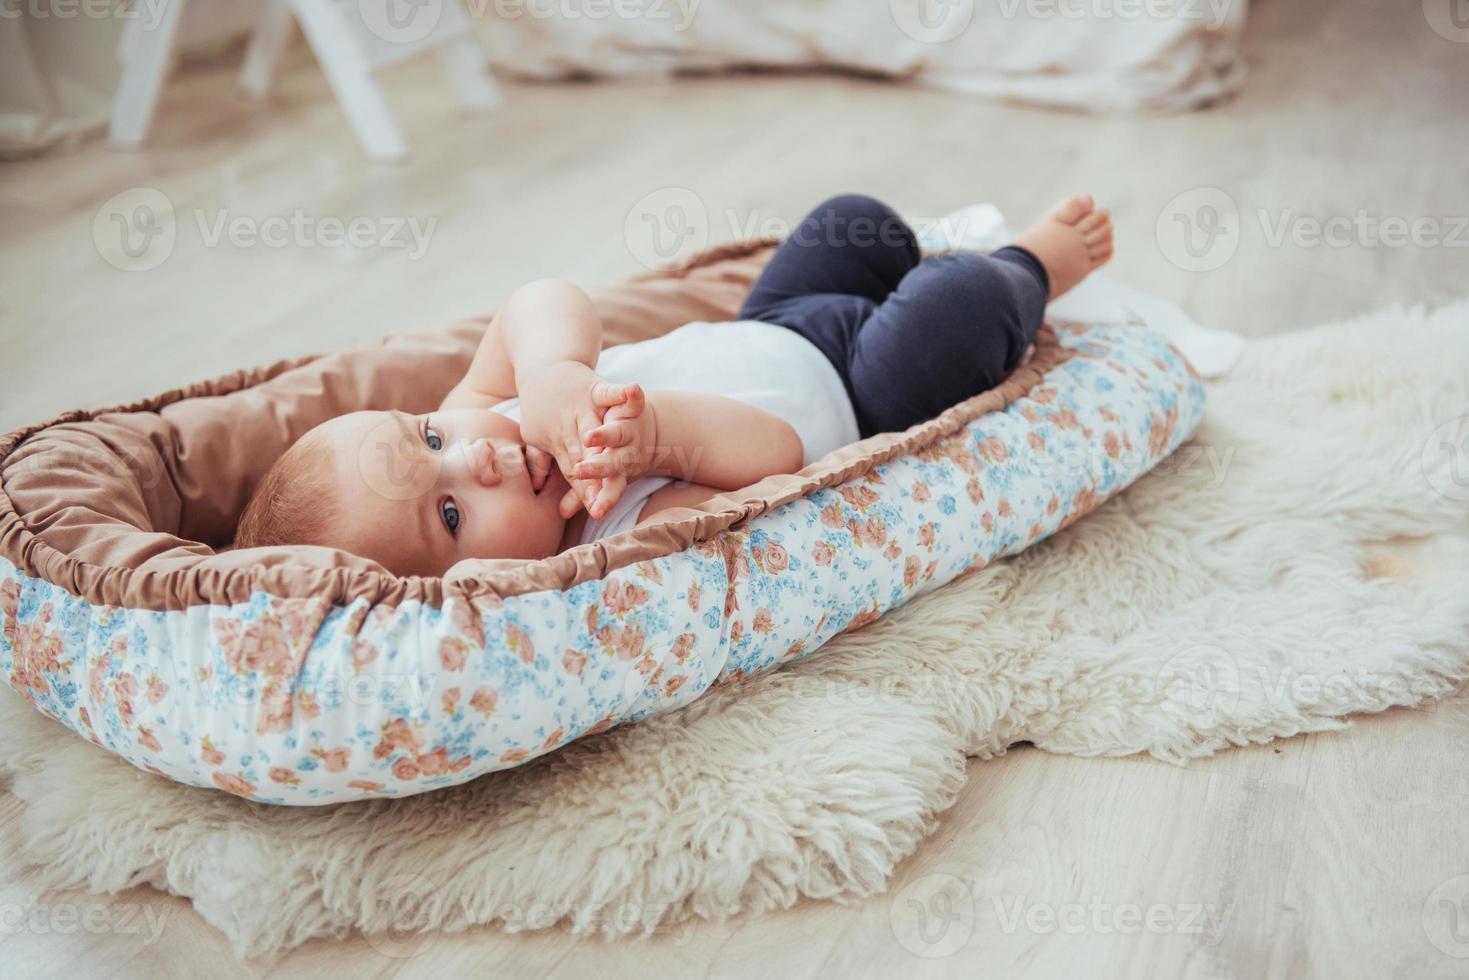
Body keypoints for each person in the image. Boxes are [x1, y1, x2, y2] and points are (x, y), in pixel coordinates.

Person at [233, 193, 1113, 576]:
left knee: (854, 223)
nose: (479, 459)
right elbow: (776, 454)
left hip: (772, 322)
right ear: (469, 591)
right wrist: (657, 443)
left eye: (427, 439)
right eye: (452, 514)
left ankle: (915, 261)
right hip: (862, 391)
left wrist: (550, 373)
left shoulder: (482, 414)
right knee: (955, 305)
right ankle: (1031, 264)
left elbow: (540, 300)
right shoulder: (610, 540)